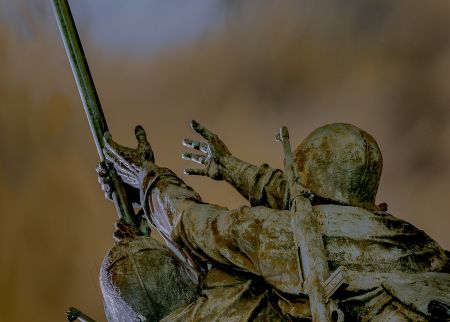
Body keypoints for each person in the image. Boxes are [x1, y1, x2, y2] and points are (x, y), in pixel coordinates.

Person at [99, 122, 450, 321]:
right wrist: (228, 167)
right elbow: (294, 196)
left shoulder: (282, 236)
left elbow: (192, 224)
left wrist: (146, 179)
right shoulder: (416, 243)